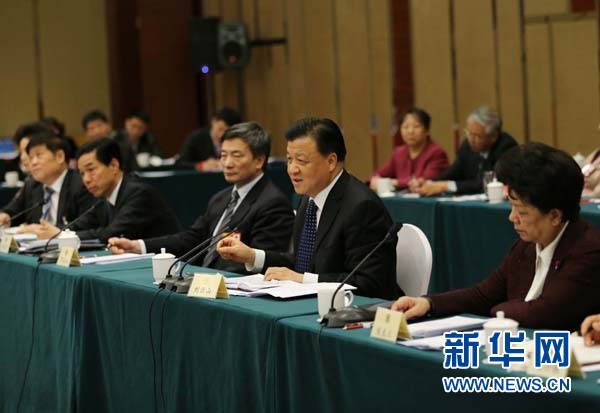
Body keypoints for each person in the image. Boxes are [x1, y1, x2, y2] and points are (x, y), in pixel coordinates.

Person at [392, 142, 600, 331]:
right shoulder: (526, 247)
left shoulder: (588, 251)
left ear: (554, 215)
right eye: (512, 207)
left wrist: (498, 311)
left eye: (522, 212)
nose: (512, 217)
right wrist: (428, 303)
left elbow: (543, 314)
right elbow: (483, 295)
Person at [217, 118, 400, 299]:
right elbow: (303, 262)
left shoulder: (362, 207)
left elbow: (368, 283)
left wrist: (302, 279)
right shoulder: (309, 199)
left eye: (301, 161)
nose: (292, 169)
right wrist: (252, 256)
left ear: (331, 161)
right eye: (289, 160)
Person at [108, 122, 294, 274]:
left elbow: (262, 263)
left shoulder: (272, 203)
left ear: (259, 160)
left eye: (236, 156)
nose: (227, 163)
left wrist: (205, 280)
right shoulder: (221, 198)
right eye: (223, 155)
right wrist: (137, 246)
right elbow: (190, 240)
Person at [26, 138, 180, 242]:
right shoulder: (103, 198)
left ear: (113, 165)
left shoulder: (139, 193)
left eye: (91, 170)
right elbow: (79, 225)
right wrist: (52, 231)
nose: (86, 179)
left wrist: (61, 235)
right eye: (82, 173)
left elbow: (111, 233)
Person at [413, 106, 517, 195]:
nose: (471, 139)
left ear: (493, 136)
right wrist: (428, 182)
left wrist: (446, 186)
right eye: (469, 133)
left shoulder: (507, 147)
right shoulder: (467, 144)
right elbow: (453, 172)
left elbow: (487, 183)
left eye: (477, 136)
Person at [0, 134, 95, 227]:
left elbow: (87, 223)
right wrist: (6, 216)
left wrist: (54, 231)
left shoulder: (81, 183)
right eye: (31, 157)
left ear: (60, 156)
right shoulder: (32, 185)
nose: (33, 162)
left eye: (39, 155)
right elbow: (13, 211)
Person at [369, 107, 448, 191]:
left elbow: (424, 181)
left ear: (427, 130)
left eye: (416, 126)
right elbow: (376, 176)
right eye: (405, 127)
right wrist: (374, 181)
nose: (410, 131)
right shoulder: (399, 152)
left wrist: (393, 182)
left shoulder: (437, 153)